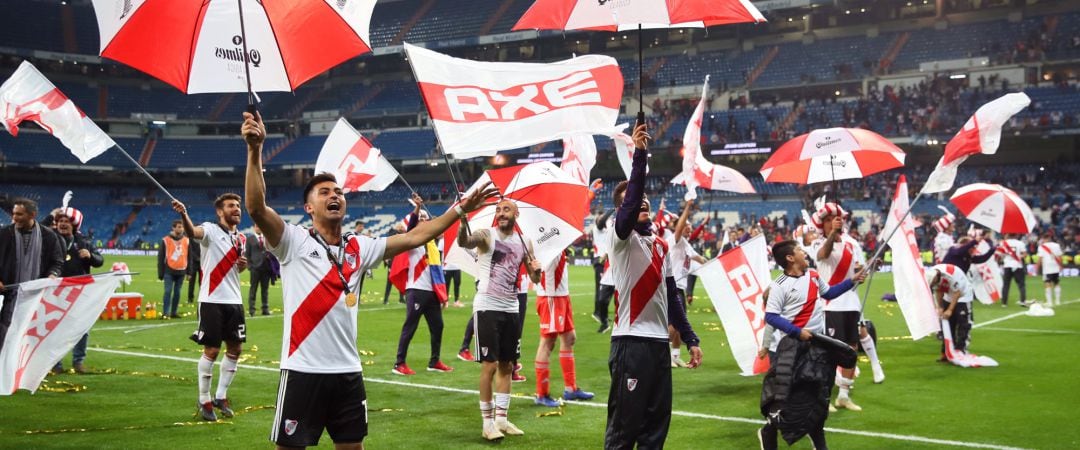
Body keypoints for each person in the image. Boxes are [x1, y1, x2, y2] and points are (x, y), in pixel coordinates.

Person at [243, 111, 497, 449]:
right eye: (324, 192)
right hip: (303, 370)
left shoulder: (359, 247)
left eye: (339, 191)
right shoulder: (292, 241)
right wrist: (255, 149)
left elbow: (416, 237)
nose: (334, 195)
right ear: (308, 207)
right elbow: (257, 208)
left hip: (348, 372)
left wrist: (459, 210)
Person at [605, 123, 702, 449]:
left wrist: (690, 338)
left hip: (659, 346)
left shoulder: (662, 245)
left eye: (646, 198)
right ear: (622, 209)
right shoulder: (620, 238)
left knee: (655, 431)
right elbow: (631, 202)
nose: (642, 201)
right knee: (623, 430)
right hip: (630, 343)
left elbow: (673, 298)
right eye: (635, 199)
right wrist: (640, 155)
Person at [758, 240, 866, 450]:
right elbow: (770, 316)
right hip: (791, 349)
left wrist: (852, 281)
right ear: (790, 258)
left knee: (819, 397)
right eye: (799, 250)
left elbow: (829, 293)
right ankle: (768, 433)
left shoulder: (814, 276)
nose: (804, 252)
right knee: (786, 400)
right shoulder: (779, 285)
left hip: (818, 348)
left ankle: (819, 442)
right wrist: (798, 332)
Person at [457, 197, 541, 441]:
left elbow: (534, 279)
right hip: (487, 306)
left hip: (511, 308)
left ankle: (502, 420)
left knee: (508, 365)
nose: (501, 213)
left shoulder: (525, 243)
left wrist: (536, 271)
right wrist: (463, 220)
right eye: (498, 210)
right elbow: (464, 241)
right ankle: (487, 423)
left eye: (506, 209)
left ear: (516, 214)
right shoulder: (485, 235)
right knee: (490, 365)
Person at [172, 194, 249, 422]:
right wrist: (184, 214)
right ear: (219, 211)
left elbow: (237, 270)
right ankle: (204, 398)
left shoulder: (241, 238)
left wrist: (242, 266)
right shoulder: (210, 230)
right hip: (211, 300)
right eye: (230, 206)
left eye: (237, 206)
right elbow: (192, 233)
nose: (236, 209)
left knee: (235, 349)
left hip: (234, 301)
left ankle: (221, 396)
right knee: (212, 350)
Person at [812, 202, 883, 411]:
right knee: (830, 351)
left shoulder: (853, 244)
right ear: (822, 224)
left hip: (851, 303)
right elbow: (822, 256)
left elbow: (859, 270)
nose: (835, 221)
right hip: (829, 304)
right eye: (828, 220)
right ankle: (823, 395)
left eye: (837, 218)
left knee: (851, 351)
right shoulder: (819, 242)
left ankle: (843, 394)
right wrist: (833, 234)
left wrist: (867, 270)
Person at [392, 194, 454, 375]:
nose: (425, 222)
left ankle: (434, 361)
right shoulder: (412, 239)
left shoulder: (432, 244)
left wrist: (442, 294)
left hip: (432, 292)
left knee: (438, 326)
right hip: (417, 290)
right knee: (410, 326)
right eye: (422, 220)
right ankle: (399, 363)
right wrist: (417, 209)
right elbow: (411, 227)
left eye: (427, 219)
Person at [0, 198, 64, 355]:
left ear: (32, 215)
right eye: (14, 214)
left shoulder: (48, 236)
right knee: (5, 335)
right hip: (9, 296)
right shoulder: (3, 234)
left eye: (19, 214)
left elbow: (57, 262)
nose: (14, 218)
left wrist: (52, 275)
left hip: (37, 297)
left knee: (31, 338)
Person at [533, 248, 594, 407]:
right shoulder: (545, 237)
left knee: (569, 337)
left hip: (562, 294)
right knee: (548, 342)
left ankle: (570, 389)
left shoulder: (556, 237)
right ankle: (542, 393)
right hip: (550, 295)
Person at [50, 206, 103, 374]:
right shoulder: (50, 240)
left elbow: (100, 261)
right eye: (60, 221)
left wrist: (91, 256)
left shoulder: (83, 242)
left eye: (66, 221)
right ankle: (55, 363)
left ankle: (78, 361)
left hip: (80, 292)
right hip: (56, 292)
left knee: (82, 326)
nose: (63, 224)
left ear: (74, 225)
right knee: (55, 327)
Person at [667, 199, 706, 368]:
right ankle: (661, 350)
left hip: (680, 288)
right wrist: (688, 207)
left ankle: (675, 355)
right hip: (671, 287)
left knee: (678, 324)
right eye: (687, 225)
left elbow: (701, 259)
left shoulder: (686, 244)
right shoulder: (674, 241)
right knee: (673, 326)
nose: (689, 227)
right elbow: (680, 226)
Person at [926, 264, 975, 359]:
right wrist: (940, 307)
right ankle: (947, 352)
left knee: (963, 323)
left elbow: (957, 293)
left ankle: (961, 350)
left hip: (963, 295)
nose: (932, 284)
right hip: (948, 295)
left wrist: (949, 310)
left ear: (936, 277)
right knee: (948, 323)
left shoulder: (950, 274)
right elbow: (938, 291)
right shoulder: (932, 274)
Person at [158, 220, 189, 319]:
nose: (180, 229)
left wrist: (189, 272)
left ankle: (174, 312)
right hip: (169, 270)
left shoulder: (187, 240)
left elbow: (190, 257)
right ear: (173, 228)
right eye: (178, 227)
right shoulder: (166, 240)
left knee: (177, 292)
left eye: (182, 227)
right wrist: (161, 273)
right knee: (167, 291)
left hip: (181, 270)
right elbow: (161, 257)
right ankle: (165, 312)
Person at [592, 209, 616, 333]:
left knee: (608, 291)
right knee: (601, 289)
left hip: (608, 262)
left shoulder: (607, 231)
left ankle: (603, 315)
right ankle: (598, 313)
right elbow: (602, 221)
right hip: (600, 261)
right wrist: (611, 211)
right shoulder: (598, 228)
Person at [246, 223, 277, 316]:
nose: (259, 228)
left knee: (265, 290)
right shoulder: (250, 239)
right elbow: (247, 254)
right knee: (253, 289)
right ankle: (252, 310)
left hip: (266, 268)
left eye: (260, 226)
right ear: (254, 228)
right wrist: (250, 267)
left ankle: (265, 309)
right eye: (257, 226)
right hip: (255, 268)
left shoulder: (266, 238)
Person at [997, 234, 1029, 307]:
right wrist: (1018, 257)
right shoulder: (1020, 243)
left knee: (1006, 285)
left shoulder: (1003, 243)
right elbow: (1025, 254)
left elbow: (1000, 254)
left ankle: (1004, 303)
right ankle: (1023, 301)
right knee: (1021, 285)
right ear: (1016, 235)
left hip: (1007, 265)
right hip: (1017, 265)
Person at [382, 222, 407, 305]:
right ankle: (386, 299)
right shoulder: (394, 235)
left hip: (398, 261)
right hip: (393, 262)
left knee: (401, 278)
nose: (404, 228)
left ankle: (401, 298)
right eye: (402, 227)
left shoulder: (400, 235)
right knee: (390, 281)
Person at [1036, 233, 1064, 306]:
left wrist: (1037, 267)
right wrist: (1061, 265)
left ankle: (1050, 302)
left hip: (1047, 267)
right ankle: (1057, 301)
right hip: (1055, 266)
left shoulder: (1041, 247)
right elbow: (1060, 256)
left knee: (1047, 283)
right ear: (1050, 238)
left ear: (1043, 238)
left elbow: (1040, 258)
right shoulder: (1056, 245)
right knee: (1056, 283)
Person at [187, 237, 202, 304]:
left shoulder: (203, 237)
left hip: (202, 262)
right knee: (191, 281)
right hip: (193, 262)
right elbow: (190, 249)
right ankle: (190, 298)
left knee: (202, 282)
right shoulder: (191, 238)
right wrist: (196, 257)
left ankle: (202, 298)